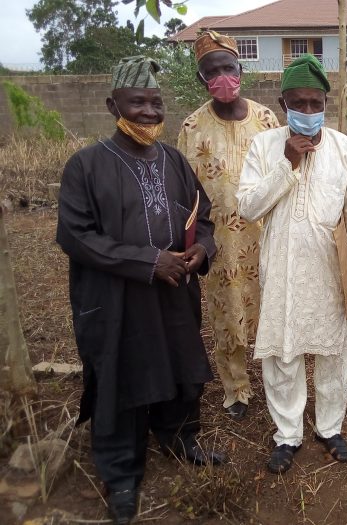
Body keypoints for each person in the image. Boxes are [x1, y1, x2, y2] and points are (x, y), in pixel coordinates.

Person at [57, 56, 225, 525]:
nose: (149, 112)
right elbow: (77, 236)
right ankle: (121, 473)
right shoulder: (86, 165)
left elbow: (202, 215)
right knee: (122, 375)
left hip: (175, 291)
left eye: (156, 102)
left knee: (180, 364)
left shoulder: (174, 160)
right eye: (137, 103)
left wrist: (202, 249)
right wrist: (149, 261)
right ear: (113, 105)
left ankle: (179, 438)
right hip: (117, 299)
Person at [236, 54, 347, 474]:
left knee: (333, 354)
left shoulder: (345, 149)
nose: (308, 110)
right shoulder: (264, 146)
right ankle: (287, 434)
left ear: (325, 104)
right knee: (282, 354)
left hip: (330, 270)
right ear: (283, 104)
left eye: (315, 103)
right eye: (299, 103)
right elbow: (248, 207)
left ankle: (329, 428)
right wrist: (286, 164)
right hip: (283, 268)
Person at [178, 30, 279, 421]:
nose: (222, 77)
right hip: (218, 242)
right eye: (212, 71)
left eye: (228, 68)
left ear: (240, 70)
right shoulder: (192, 127)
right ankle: (236, 387)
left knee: (271, 310)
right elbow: (185, 191)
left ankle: (277, 382)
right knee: (226, 314)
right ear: (201, 77)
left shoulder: (266, 119)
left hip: (265, 237)